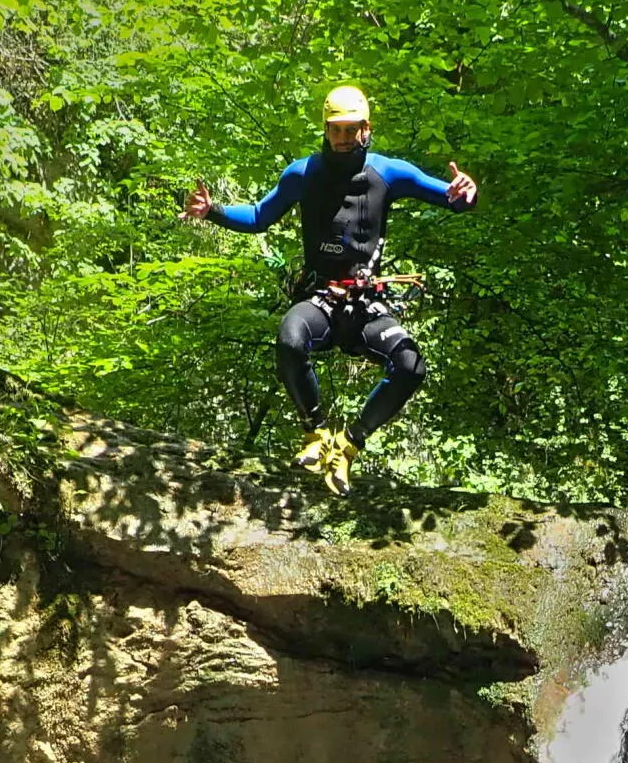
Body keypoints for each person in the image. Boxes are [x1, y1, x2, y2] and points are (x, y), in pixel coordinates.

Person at [186, 84, 477, 494]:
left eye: (350, 129)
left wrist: (465, 194)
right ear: (325, 129)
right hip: (320, 298)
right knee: (289, 339)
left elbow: (450, 198)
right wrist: (212, 211)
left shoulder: (388, 173)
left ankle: (349, 444)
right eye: (335, 129)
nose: (342, 138)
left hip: (365, 303)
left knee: (411, 365)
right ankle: (316, 432)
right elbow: (257, 216)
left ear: (365, 129)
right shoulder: (303, 174)